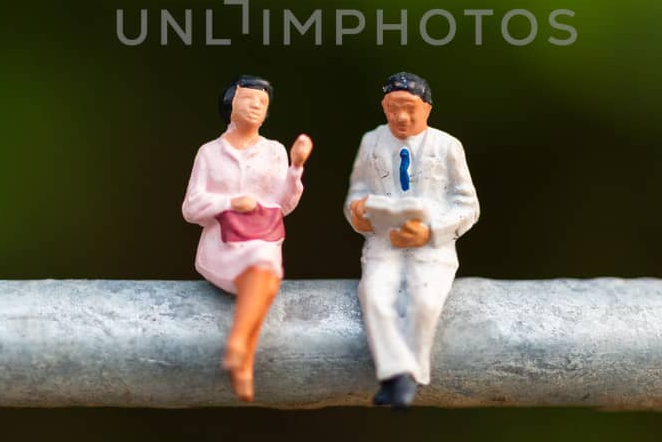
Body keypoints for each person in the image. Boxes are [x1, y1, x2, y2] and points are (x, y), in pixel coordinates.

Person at [344, 72, 478, 409]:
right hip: (385, 240)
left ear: (427, 108)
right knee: (374, 296)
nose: (401, 117)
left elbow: (468, 205)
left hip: (431, 246)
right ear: (383, 107)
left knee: (425, 301)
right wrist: (357, 214)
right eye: (393, 108)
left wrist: (431, 231)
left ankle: (409, 376)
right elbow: (357, 190)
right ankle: (396, 373)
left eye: (410, 108)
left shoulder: (447, 146)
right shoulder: (371, 141)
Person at [182, 75, 312, 402]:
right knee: (266, 271)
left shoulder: (274, 151)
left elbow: (283, 203)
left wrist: (296, 167)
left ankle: (241, 354)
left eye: (262, 103)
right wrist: (229, 203)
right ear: (230, 104)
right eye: (248, 99)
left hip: (262, 238)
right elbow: (191, 207)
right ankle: (241, 351)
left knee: (265, 268)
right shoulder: (210, 153)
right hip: (222, 245)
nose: (255, 106)